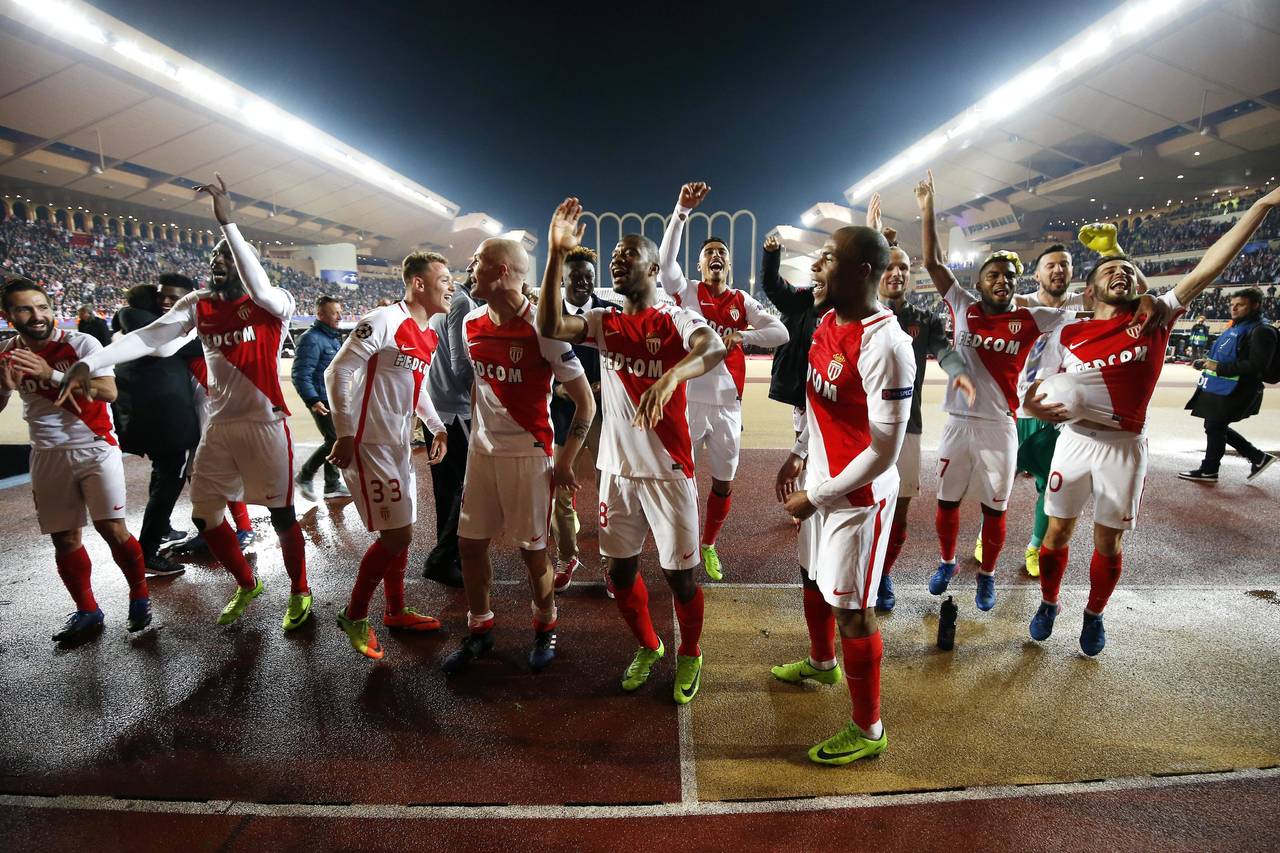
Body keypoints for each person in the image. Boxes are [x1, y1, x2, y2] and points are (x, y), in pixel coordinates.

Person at [1023, 184, 1280, 655]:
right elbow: (1039, 384)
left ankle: (1094, 614)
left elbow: (1208, 267)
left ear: (1138, 285)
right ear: (1090, 291)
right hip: (1073, 441)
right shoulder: (1070, 331)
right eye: (1110, 270)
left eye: (1127, 269)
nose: (1120, 272)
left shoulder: (1155, 318)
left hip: (1123, 446)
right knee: (1057, 532)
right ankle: (1049, 602)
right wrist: (1034, 405)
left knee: (1108, 542)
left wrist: (1262, 205)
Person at [61, 174, 312, 631]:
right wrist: (91, 361)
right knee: (205, 515)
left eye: (227, 256)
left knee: (281, 515)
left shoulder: (274, 301)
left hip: (265, 423)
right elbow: (151, 338)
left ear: (246, 263)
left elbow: (259, 289)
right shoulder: (199, 304)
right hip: (218, 426)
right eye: (215, 257)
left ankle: (300, 590)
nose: (217, 262)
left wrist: (227, 224)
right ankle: (247, 582)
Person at [538, 198, 726, 705]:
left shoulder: (674, 317)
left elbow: (713, 348)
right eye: (615, 258)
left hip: (668, 471)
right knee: (619, 574)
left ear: (653, 268)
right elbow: (550, 326)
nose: (617, 261)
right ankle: (649, 645)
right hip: (616, 472)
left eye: (628, 256)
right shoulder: (603, 321)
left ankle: (690, 652)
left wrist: (672, 376)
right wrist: (555, 254)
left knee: (680, 579)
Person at [773, 224, 915, 766]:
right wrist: (800, 453)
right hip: (823, 481)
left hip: (857, 500)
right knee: (812, 578)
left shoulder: (888, 346)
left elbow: (884, 452)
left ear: (861, 272)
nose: (816, 267)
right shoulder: (828, 320)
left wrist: (818, 496)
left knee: (853, 610)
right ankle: (820, 663)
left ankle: (869, 727)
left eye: (828, 258)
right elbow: (816, 400)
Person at [915, 171, 1077, 613]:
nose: (1001, 280)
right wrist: (928, 207)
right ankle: (947, 562)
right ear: (980, 281)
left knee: (995, 509)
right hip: (956, 423)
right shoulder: (962, 305)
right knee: (947, 502)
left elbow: (1083, 312)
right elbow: (932, 263)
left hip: (1000, 426)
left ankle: (987, 576)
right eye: (993, 275)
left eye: (1008, 275)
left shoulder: (1031, 318)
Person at [441, 236, 595, 676]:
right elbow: (480, 387)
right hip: (482, 455)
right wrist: (475, 437)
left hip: (528, 456)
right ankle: (480, 629)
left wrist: (564, 461)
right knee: (469, 546)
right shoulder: (471, 322)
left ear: (503, 270)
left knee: (533, 554)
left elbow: (585, 403)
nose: (470, 265)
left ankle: (545, 625)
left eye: (478, 260)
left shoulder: (544, 328)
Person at [0, 278, 153, 642]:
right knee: (65, 538)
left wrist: (48, 374)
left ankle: (140, 596)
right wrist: (4, 387)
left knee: (112, 529)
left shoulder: (81, 343)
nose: (37, 315)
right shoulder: (6, 353)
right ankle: (87, 610)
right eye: (25, 309)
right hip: (46, 453)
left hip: (95, 446)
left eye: (42, 307)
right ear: (8, 316)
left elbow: (108, 392)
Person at [325, 252, 453, 660]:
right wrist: (345, 433)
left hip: (398, 447)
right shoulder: (383, 320)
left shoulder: (429, 334)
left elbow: (417, 387)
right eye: (444, 279)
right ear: (418, 283)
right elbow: (337, 371)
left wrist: (437, 426)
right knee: (397, 536)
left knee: (402, 531)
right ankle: (354, 614)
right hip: (370, 444)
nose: (451, 287)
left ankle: (395, 611)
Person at [658, 182, 789, 581]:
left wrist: (743, 335)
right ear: (699, 265)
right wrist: (681, 211)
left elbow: (780, 332)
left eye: (722, 253)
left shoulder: (741, 301)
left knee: (723, 482)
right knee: (676, 477)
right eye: (709, 253)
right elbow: (664, 262)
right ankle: (677, 541)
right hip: (688, 401)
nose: (716, 256)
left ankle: (709, 543)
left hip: (728, 408)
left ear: (728, 265)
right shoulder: (686, 291)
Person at [860, 192, 973, 610]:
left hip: (907, 427)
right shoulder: (861, 313)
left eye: (903, 268)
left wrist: (959, 372)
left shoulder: (924, 320)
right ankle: (859, 570)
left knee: (899, 510)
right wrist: (871, 233)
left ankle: (883, 574)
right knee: (859, 503)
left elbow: (944, 350)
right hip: (861, 426)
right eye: (889, 266)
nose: (896, 273)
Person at [113, 275, 200, 576]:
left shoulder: (135, 325)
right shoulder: (157, 331)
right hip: (168, 424)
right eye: (162, 296)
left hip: (150, 422)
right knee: (169, 483)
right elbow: (198, 346)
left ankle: (162, 530)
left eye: (172, 297)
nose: (166, 302)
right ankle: (148, 552)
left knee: (162, 475)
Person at [548, 245, 609, 593]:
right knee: (559, 490)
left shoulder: (610, 314)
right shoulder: (547, 318)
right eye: (576, 277)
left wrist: (604, 387)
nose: (584, 282)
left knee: (610, 490)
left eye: (589, 276)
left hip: (605, 418)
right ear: (563, 279)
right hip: (563, 418)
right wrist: (559, 387)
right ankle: (566, 556)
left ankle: (612, 562)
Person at [421, 255, 480, 589]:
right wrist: (483, 400)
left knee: (447, 488)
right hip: (456, 411)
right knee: (471, 486)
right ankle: (443, 557)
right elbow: (461, 364)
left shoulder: (447, 299)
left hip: (437, 407)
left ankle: (447, 555)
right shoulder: (462, 303)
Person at [1179, 286, 1278, 483]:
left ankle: (1209, 470)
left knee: (1215, 425)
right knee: (1215, 425)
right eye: (1232, 304)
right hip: (1223, 386)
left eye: (1240, 305)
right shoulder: (1236, 327)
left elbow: (1257, 365)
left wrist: (1219, 367)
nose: (1234, 308)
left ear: (1255, 305)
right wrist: (1206, 363)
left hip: (1240, 388)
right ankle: (1258, 457)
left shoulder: (1262, 331)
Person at [291, 295, 347, 501]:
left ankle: (332, 484)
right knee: (334, 440)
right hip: (321, 399)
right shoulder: (311, 339)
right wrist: (313, 400)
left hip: (331, 398)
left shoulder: (330, 337)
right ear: (320, 315)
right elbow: (301, 373)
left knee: (336, 439)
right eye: (334, 313)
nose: (339, 316)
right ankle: (305, 476)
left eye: (340, 312)